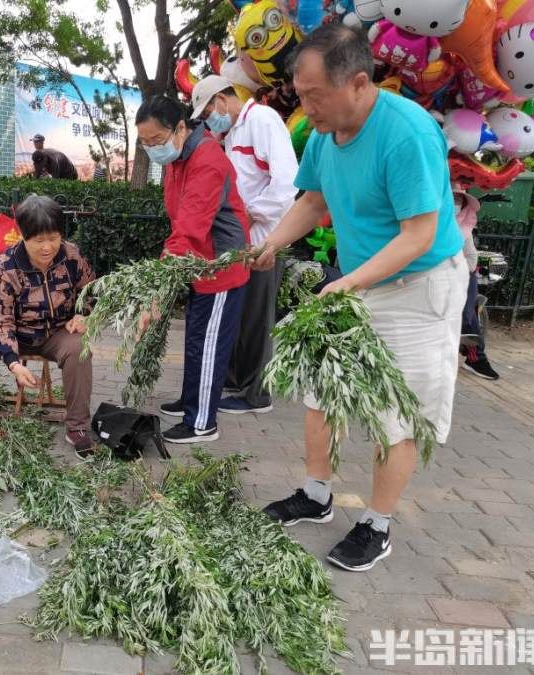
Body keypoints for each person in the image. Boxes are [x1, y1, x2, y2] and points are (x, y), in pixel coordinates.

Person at [255, 24, 466, 572]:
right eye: (299, 94)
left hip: (420, 287)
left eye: (312, 95)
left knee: (396, 410)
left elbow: (419, 233)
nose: (304, 106)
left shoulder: (407, 133)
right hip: (362, 283)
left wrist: (347, 283)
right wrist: (273, 242)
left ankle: (377, 523)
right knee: (320, 390)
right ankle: (316, 493)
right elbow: (314, 199)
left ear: (356, 83)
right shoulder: (325, 135)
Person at [135, 95, 251, 444]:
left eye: (156, 140)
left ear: (181, 128)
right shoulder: (178, 159)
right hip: (196, 262)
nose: (153, 149)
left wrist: (156, 293)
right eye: (145, 143)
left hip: (219, 266)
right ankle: (191, 401)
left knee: (209, 344)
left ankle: (202, 422)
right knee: (196, 338)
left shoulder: (207, 161)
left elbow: (190, 228)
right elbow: (179, 221)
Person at [0, 195, 96, 458]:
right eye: (39, 240)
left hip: (57, 333)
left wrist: (84, 315)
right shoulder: (6, 265)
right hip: (15, 332)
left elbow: (92, 291)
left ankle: (77, 427)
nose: (47, 247)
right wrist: (13, 363)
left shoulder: (71, 256)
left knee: (80, 348)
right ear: (23, 236)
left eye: (53, 238)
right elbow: (1, 318)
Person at [190, 74, 299, 415]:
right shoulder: (234, 131)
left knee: (256, 317)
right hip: (241, 240)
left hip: (264, 237)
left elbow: (288, 182)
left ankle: (257, 393)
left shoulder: (263, 120)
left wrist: (252, 214)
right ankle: (237, 381)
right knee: (242, 314)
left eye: (208, 113)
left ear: (222, 99)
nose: (210, 121)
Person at [454, 186, 499, 380]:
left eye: (458, 200)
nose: (455, 203)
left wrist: (449, 267)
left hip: (459, 275)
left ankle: (475, 357)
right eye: (452, 198)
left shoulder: (465, 229)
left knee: (467, 310)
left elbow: (471, 260)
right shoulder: (428, 222)